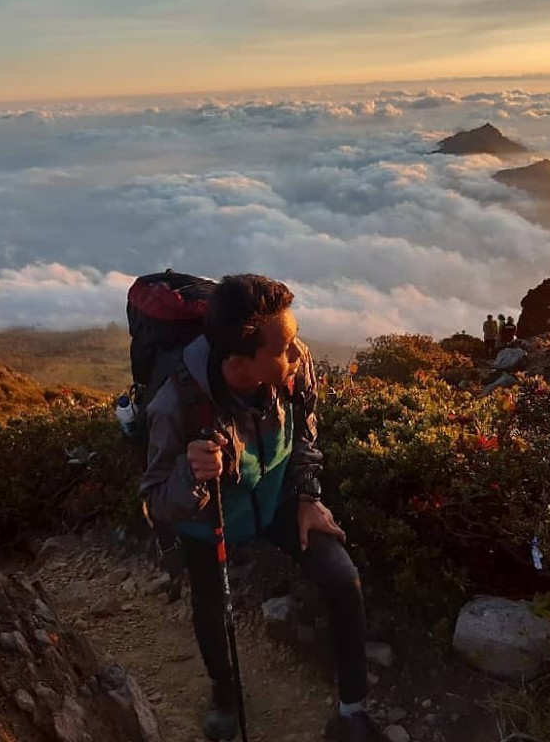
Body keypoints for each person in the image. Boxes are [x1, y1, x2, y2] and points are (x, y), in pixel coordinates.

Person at [140, 275, 381, 742]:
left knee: (342, 578)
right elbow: (155, 501)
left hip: (276, 500)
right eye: (285, 347)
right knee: (212, 606)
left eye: (294, 341)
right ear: (238, 363)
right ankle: (225, 692)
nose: (299, 354)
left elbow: (306, 431)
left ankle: (352, 713)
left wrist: (309, 497)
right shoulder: (178, 402)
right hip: (210, 518)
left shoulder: (295, 367)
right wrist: (191, 474)